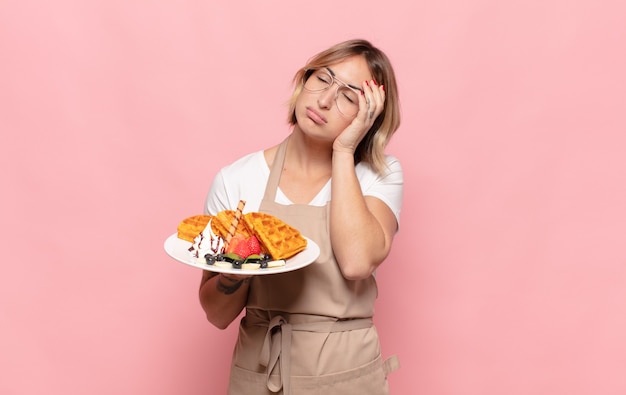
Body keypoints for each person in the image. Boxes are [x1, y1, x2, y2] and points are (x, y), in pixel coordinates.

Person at [199, 39, 403, 394]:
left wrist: (343, 151)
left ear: (369, 116)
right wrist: (239, 269)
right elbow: (217, 314)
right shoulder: (237, 180)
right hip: (260, 375)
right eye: (323, 79)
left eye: (349, 96)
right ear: (302, 81)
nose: (324, 100)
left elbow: (356, 263)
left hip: (348, 378)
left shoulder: (378, 176)